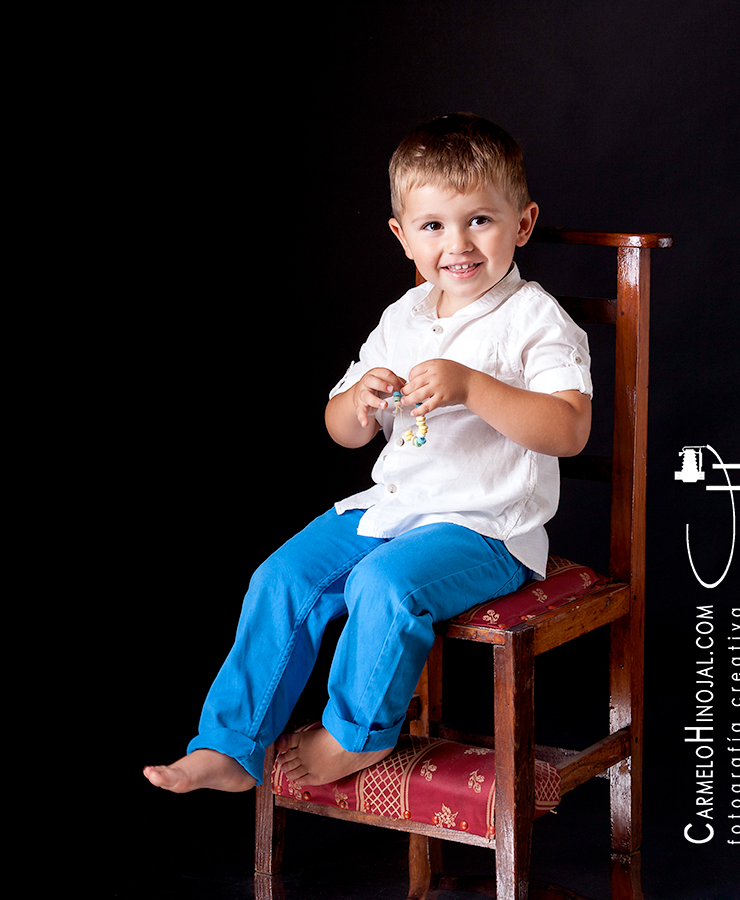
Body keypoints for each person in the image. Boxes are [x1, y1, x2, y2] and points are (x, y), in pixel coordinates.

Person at [143, 113, 593, 794]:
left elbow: (569, 430)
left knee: (381, 586)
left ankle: (355, 734)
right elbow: (340, 429)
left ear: (522, 223)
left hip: (486, 527)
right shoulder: (404, 317)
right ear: (402, 235)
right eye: (434, 226)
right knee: (281, 578)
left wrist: (473, 385)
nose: (458, 244)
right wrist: (357, 402)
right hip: (394, 506)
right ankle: (231, 746)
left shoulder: (534, 317)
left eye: (481, 220)